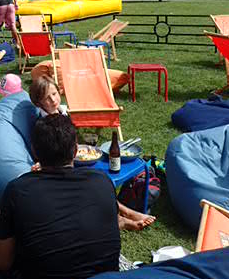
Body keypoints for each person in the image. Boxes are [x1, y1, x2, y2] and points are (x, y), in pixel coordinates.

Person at [0, 113, 127, 279]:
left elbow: (3, 263)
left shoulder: (18, 190)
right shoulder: (102, 181)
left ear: (35, 151)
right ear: (75, 150)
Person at [29, 75, 155, 231]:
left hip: (72, 160)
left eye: (54, 94)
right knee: (94, 183)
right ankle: (123, 216)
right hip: (60, 167)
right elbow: (43, 152)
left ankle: (123, 214)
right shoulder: (42, 124)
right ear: (39, 102)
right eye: (47, 98)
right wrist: (40, 163)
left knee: (99, 178)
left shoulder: (63, 111)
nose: (53, 100)